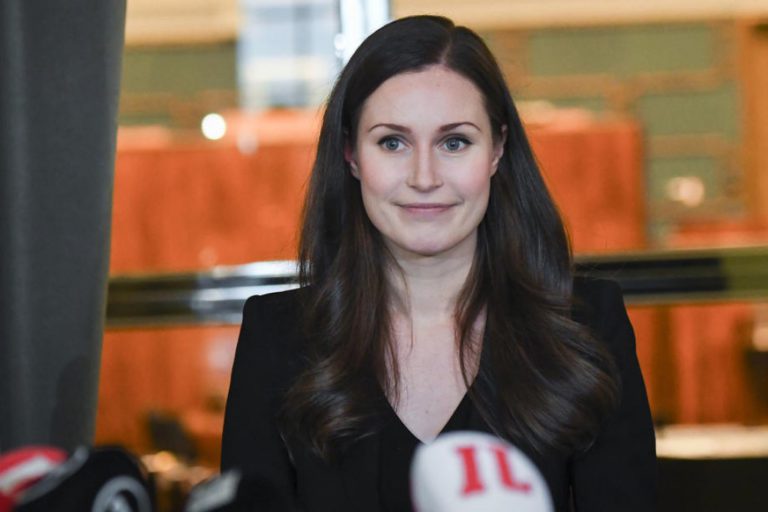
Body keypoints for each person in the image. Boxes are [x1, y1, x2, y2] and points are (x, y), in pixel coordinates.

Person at [221, 15, 656, 512]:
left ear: (497, 150)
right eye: (392, 142)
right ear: (351, 155)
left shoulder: (587, 326)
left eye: (454, 142)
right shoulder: (277, 337)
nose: (424, 177)